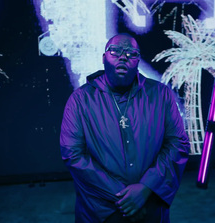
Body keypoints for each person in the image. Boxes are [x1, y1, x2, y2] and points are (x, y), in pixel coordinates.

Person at [60, 33, 190, 223]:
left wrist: (147, 188)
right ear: (104, 58)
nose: (123, 57)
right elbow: (73, 155)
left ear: (138, 60)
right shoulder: (80, 100)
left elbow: (178, 144)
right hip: (100, 212)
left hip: (150, 208)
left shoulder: (161, 95)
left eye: (131, 53)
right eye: (115, 51)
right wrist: (125, 199)